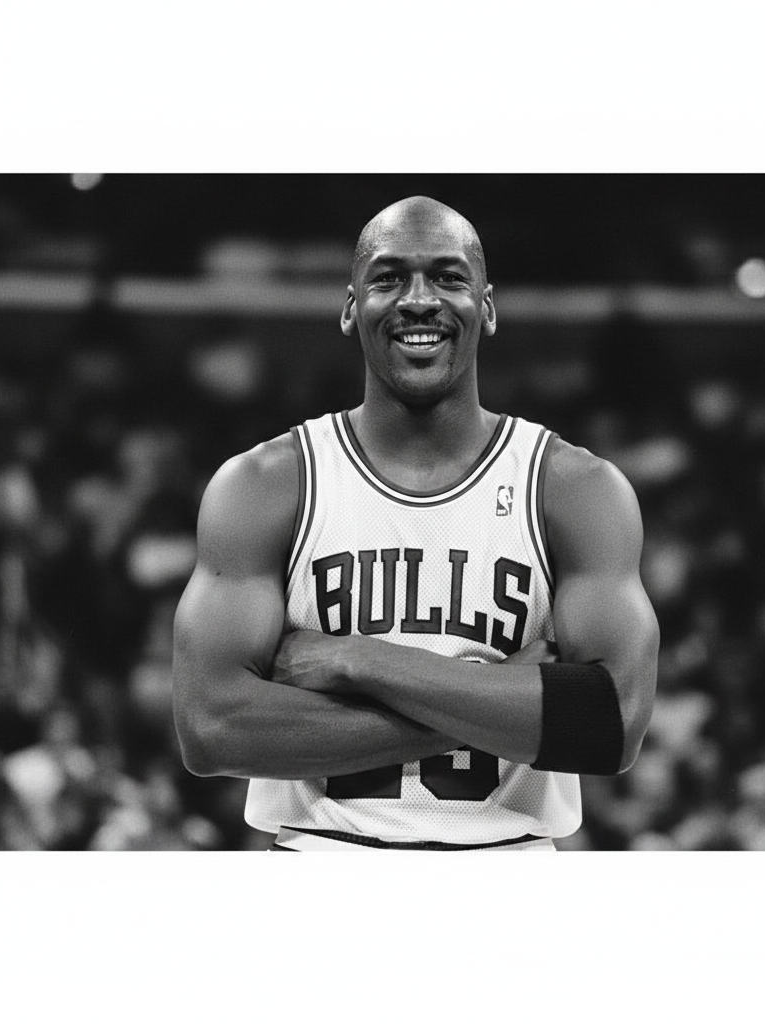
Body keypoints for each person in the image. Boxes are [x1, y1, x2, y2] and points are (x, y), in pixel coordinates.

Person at [172, 196, 660, 851]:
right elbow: (211, 727)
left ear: (487, 307)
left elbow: (611, 725)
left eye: (450, 277)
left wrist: (357, 659)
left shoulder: (574, 489)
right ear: (350, 307)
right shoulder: (265, 485)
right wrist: (506, 699)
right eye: (388, 277)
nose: (420, 298)